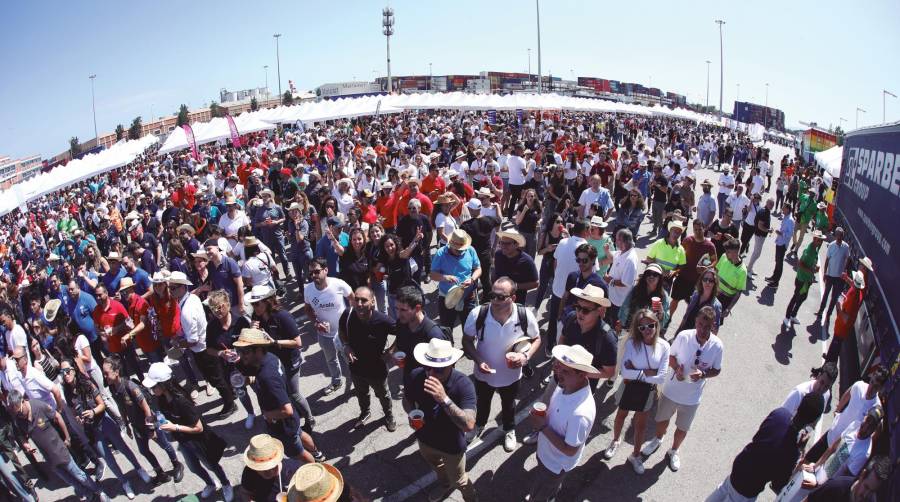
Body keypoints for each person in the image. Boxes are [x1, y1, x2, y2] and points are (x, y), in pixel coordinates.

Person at [641, 306, 723, 472]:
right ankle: (657, 439)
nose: (702, 329)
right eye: (700, 324)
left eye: (707, 326)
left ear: (713, 325)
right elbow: (670, 356)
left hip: (692, 398)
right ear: (696, 322)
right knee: (662, 420)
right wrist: (677, 368)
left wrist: (704, 374)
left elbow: (717, 369)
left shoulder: (718, 346)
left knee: (682, 428)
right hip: (671, 390)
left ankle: (674, 450)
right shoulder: (684, 336)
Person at [462, 277, 540, 451]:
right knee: (482, 401)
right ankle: (479, 425)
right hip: (484, 374)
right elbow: (466, 341)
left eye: (501, 297)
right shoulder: (478, 314)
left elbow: (536, 339)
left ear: (513, 298)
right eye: (492, 295)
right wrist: (479, 359)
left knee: (509, 404)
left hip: (511, 375)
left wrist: (525, 357)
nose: (495, 300)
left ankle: (509, 429)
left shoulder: (524, 315)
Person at [705, 392, 824, 502]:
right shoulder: (791, 452)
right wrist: (799, 451)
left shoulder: (780, 414)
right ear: (812, 421)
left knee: (723, 490)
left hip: (739, 468)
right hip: (748, 489)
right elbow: (778, 485)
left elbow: (758, 436)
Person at [142, 363, 234, 501]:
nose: (151, 390)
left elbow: (199, 428)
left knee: (211, 465)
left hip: (199, 440)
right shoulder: (161, 399)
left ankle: (226, 484)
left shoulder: (182, 401)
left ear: (164, 384)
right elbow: (167, 417)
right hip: (184, 441)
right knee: (194, 468)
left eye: (153, 386)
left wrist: (175, 427)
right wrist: (155, 419)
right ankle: (210, 484)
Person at [59, 358, 148, 499]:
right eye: (62, 372)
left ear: (74, 370)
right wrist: (79, 418)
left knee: (123, 448)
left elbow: (101, 404)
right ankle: (124, 482)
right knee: (109, 460)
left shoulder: (87, 384)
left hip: (104, 422)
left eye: (67, 370)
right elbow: (74, 411)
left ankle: (139, 468)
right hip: (92, 430)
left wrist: (93, 412)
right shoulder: (67, 392)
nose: (65, 374)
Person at [402, 338, 477, 502]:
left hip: (451, 446)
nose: (431, 374)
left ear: (451, 365)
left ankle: (471, 498)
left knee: (460, 480)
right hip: (425, 440)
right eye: (428, 367)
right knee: (436, 466)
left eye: (439, 370)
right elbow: (407, 399)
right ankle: (444, 485)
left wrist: (444, 399)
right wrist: (411, 413)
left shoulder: (463, 385)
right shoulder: (416, 375)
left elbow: (469, 424)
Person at [234, 329, 322, 464]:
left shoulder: (267, 377)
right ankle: (317, 453)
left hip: (283, 425)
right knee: (299, 433)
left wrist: (267, 414)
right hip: (292, 422)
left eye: (245, 352)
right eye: (239, 351)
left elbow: (287, 410)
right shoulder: (270, 357)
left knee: (299, 454)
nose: (241, 355)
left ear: (258, 350)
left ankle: (316, 468)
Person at [8, 389, 112, 502]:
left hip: (60, 451)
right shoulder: (19, 419)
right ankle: (89, 495)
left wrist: (67, 437)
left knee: (80, 476)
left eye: (20, 411)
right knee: (70, 481)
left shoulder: (38, 406)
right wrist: (25, 444)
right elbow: (21, 435)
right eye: (16, 413)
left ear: (23, 401)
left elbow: (57, 416)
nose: (19, 415)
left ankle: (99, 491)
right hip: (49, 458)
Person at [526, 344, 599, 502]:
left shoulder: (581, 413)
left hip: (555, 465)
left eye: (566, 371)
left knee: (540, 494)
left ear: (583, 374)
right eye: (559, 367)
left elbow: (570, 450)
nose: (558, 373)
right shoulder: (565, 385)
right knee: (546, 488)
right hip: (546, 455)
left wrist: (542, 426)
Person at [604, 308, 671, 474]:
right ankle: (615, 441)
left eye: (650, 325)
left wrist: (637, 371)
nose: (647, 330)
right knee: (621, 415)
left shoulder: (664, 346)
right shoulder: (631, 344)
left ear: (656, 324)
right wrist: (648, 372)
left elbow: (661, 378)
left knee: (640, 425)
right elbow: (625, 373)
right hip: (628, 385)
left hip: (647, 391)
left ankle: (635, 455)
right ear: (637, 329)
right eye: (642, 327)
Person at [102, 354, 183, 486]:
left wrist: (151, 427)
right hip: (136, 426)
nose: (105, 376)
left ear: (116, 372)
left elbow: (145, 407)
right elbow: (121, 407)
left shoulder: (131, 386)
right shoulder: (113, 388)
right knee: (144, 450)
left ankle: (177, 464)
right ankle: (160, 473)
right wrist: (126, 424)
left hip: (149, 423)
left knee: (164, 445)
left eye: (106, 373)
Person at [338, 286, 397, 431]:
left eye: (363, 300)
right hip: (356, 367)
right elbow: (341, 331)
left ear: (372, 301)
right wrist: (346, 346)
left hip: (377, 368)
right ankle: (365, 412)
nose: (359, 304)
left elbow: (403, 333)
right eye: (356, 299)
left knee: (383, 395)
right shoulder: (348, 314)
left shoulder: (383, 321)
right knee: (361, 393)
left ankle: (389, 415)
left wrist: (390, 352)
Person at [303, 258, 355, 395]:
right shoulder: (308, 290)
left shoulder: (338, 284)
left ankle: (358, 382)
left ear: (326, 270)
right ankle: (336, 381)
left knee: (351, 360)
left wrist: (350, 317)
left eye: (316, 271)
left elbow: (352, 298)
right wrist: (316, 323)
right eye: (311, 273)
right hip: (324, 335)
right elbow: (308, 309)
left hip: (343, 333)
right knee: (331, 360)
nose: (313, 275)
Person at [548, 219, 590, 351]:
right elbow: (591, 273)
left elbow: (555, 262)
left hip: (557, 290)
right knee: (571, 324)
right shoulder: (588, 249)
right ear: (586, 231)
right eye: (589, 229)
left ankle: (550, 347)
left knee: (554, 320)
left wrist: (558, 278)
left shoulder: (562, 242)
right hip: (574, 297)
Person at [430, 229, 482, 332]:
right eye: (458, 249)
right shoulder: (441, 253)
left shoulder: (470, 250)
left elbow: (478, 269)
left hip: (467, 297)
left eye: (462, 249)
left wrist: (472, 279)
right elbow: (432, 275)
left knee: (469, 329)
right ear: (451, 245)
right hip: (447, 298)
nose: (461, 251)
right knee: (446, 329)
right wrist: (446, 277)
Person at [668, 219, 717, 318]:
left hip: (697, 282)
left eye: (700, 229)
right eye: (695, 229)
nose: (698, 232)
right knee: (675, 300)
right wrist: (675, 269)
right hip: (682, 277)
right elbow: (679, 255)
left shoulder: (710, 246)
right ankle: (667, 319)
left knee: (691, 305)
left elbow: (714, 260)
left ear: (704, 229)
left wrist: (707, 267)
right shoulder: (687, 240)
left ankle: (684, 323)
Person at [239, 434, 302, 502]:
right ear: (254, 467)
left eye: (272, 466)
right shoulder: (249, 473)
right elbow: (245, 493)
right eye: (262, 468)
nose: (269, 472)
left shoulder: (295, 469)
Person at [804, 455, 891, 502]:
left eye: (872, 491)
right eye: (866, 487)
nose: (866, 495)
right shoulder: (835, 487)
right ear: (862, 475)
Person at [783, 231, 825, 328]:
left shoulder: (815, 249)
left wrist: (814, 268)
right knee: (796, 297)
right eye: (820, 240)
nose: (821, 242)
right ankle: (787, 317)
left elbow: (810, 263)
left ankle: (793, 315)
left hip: (807, 280)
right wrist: (812, 270)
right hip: (801, 279)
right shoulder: (810, 250)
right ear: (815, 239)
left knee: (803, 297)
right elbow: (800, 264)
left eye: (821, 240)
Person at [617, 264, 671, 332]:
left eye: (655, 274)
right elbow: (625, 306)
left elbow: (664, 320)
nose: (651, 276)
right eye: (648, 274)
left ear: (659, 278)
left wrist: (661, 313)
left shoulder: (663, 296)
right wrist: (621, 323)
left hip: (648, 331)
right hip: (631, 327)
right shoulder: (636, 289)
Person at [491, 229, 539, 304]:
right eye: (501, 243)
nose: (503, 246)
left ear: (517, 244)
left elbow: (535, 283)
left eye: (507, 243)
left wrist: (515, 286)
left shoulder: (527, 261)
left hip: (517, 301)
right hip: (498, 298)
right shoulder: (498, 254)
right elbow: (496, 273)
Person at [605, 228, 639, 325]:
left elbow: (626, 283)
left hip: (619, 302)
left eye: (617, 239)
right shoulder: (621, 252)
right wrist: (607, 251)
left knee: (614, 324)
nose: (615, 241)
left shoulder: (630, 260)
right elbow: (613, 257)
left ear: (624, 241)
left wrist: (610, 281)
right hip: (612, 296)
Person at [645, 221, 687, 294]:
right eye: (674, 230)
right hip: (653, 276)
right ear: (670, 230)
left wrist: (674, 272)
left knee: (663, 302)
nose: (676, 233)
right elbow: (649, 258)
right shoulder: (659, 243)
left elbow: (682, 266)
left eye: (679, 232)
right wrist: (661, 270)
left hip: (667, 281)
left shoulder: (681, 249)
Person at [676, 269, 723, 333]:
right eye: (705, 279)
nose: (707, 282)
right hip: (684, 331)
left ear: (715, 283)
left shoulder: (716, 306)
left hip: (698, 338)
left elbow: (715, 329)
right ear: (701, 281)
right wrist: (678, 330)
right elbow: (687, 314)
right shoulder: (696, 294)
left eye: (711, 280)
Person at [817, 227, 850, 320]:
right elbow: (827, 260)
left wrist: (844, 269)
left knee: (834, 297)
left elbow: (847, 258)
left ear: (843, 236)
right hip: (830, 275)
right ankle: (820, 311)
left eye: (841, 236)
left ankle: (828, 315)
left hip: (839, 277)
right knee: (826, 294)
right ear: (835, 236)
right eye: (838, 235)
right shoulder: (831, 245)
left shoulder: (846, 247)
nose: (839, 237)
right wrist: (825, 273)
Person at [715, 237, 748, 323]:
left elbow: (738, 292)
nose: (726, 253)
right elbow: (716, 271)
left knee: (715, 323)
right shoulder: (724, 256)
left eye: (728, 252)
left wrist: (728, 308)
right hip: (714, 293)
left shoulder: (742, 271)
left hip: (725, 300)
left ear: (736, 252)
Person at [766, 203, 794, 288]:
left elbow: (790, 234)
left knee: (779, 263)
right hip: (779, 242)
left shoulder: (790, 220)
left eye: (783, 208)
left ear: (788, 209)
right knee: (777, 261)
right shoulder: (786, 217)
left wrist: (781, 233)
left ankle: (776, 282)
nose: (782, 209)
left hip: (782, 244)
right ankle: (773, 277)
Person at [746, 198, 774, 277]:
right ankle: (748, 270)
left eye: (773, 205)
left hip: (761, 235)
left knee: (756, 253)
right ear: (767, 203)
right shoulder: (764, 212)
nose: (772, 206)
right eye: (770, 204)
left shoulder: (766, 211)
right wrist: (768, 230)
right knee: (757, 254)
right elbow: (760, 226)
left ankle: (750, 268)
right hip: (759, 235)